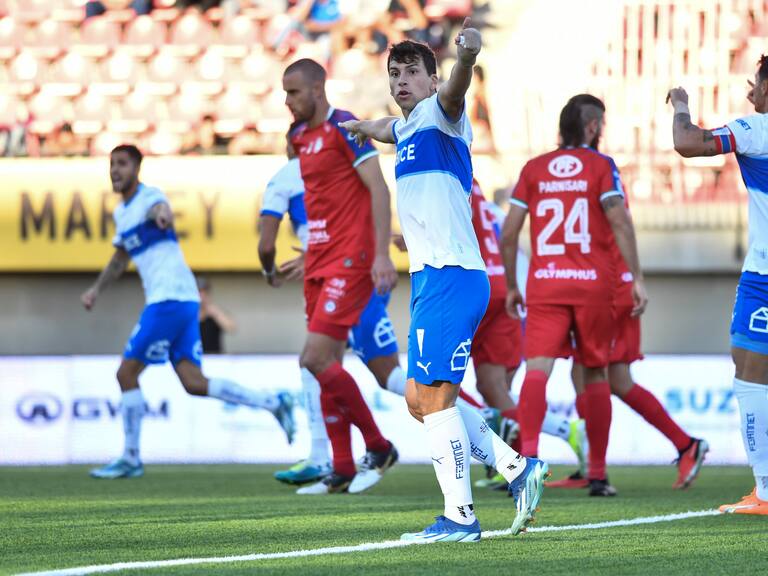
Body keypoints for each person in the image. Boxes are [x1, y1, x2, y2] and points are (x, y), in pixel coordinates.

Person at [340, 21, 547, 542]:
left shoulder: (442, 113)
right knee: (418, 399)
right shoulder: (408, 127)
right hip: (431, 280)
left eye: (412, 72)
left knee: (434, 400)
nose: (402, 79)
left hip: (453, 276)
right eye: (395, 73)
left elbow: (456, 89)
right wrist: (364, 127)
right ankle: (518, 469)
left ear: (431, 82)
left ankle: (461, 517)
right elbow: (390, 128)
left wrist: (467, 57)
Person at [81, 144, 295, 479]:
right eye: (112, 164)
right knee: (194, 383)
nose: (115, 170)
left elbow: (160, 209)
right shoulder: (122, 215)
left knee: (125, 374)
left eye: (122, 164)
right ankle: (272, 402)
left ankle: (131, 458)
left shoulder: (150, 197)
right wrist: (96, 289)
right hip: (182, 302)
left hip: (167, 301)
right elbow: (120, 258)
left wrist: (163, 214)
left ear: (137, 168)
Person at [501, 94, 648, 497]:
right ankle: (598, 474)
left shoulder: (534, 168)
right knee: (595, 372)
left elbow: (510, 230)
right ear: (592, 126)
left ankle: (527, 465)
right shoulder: (601, 166)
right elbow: (619, 219)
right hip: (592, 285)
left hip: (546, 283)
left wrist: (514, 285)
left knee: (537, 371)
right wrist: (636, 276)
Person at [257, 129, 406, 492]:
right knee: (326, 362)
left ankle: (475, 418)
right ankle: (340, 465)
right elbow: (356, 218)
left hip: (345, 275)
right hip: (343, 273)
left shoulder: (287, 177)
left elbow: (266, 243)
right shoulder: (338, 170)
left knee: (382, 374)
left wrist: (271, 270)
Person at [281, 58, 399, 495]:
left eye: (294, 92)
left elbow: (378, 189)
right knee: (326, 365)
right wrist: (310, 253)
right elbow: (322, 202)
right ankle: (344, 467)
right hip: (319, 260)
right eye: (285, 93)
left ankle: (378, 445)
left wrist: (382, 254)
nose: (288, 101)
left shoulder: (345, 126)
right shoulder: (297, 137)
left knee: (313, 359)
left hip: (352, 260)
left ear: (317, 88)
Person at [667, 56, 768, 514]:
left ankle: (765, 491)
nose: (750, 93)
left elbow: (687, 143)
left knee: (750, 375)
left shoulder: (756, 129)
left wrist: (681, 106)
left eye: (756, 85)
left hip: (763, 279)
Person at [197, 276, 237, 354]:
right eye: (199, 292)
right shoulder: (189, 315)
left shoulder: (215, 312)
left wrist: (215, 313)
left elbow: (231, 328)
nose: (202, 296)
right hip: (194, 357)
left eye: (204, 293)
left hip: (215, 358)